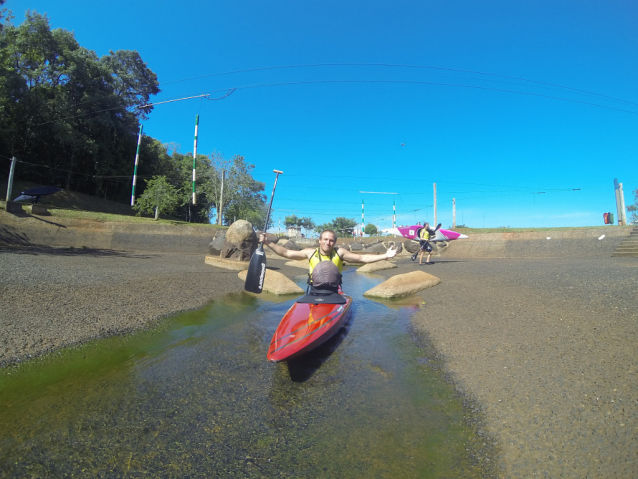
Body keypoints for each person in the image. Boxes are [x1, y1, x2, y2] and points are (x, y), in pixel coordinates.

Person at [259, 229, 397, 292]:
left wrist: (385, 256)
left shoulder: (340, 252)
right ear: (320, 240)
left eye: (331, 240)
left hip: (334, 290)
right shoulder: (311, 252)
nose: (328, 242)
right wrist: (268, 242)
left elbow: (362, 258)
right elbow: (287, 252)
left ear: (334, 242)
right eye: (325, 239)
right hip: (314, 290)